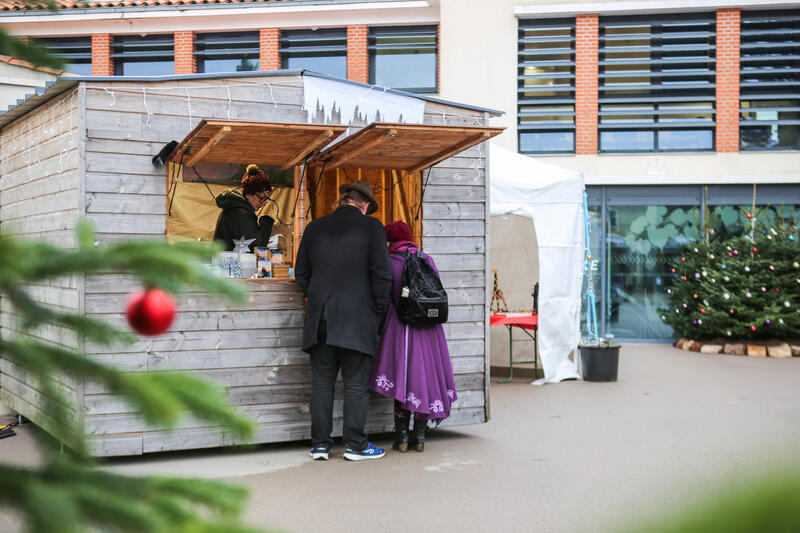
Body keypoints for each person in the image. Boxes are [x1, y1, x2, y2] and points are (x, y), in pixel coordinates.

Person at [295, 180, 392, 461]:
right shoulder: (372, 227)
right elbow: (382, 275)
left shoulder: (314, 227)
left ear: (342, 201)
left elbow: (302, 274)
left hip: (320, 318)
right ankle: (356, 445)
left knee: (322, 384)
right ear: (364, 205)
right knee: (356, 384)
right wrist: (378, 311)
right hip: (358, 318)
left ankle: (320, 446)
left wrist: (319, 297)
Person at [370, 220, 457, 452]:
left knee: (403, 377)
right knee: (424, 378)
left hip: (401, 328)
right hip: (430, 331)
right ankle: (420, 437)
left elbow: (385, 300)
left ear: (390, 242)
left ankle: (402, 438)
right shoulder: (426, 259)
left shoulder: (389, 262)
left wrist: (378, 327)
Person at [213, 164, 275, 252]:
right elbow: (258, 248)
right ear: (248, 194)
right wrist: (266, 222)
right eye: (261, 198)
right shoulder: (242, 214)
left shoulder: (233, 209)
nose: (264, 203)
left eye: (266, 199)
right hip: (231, 264)